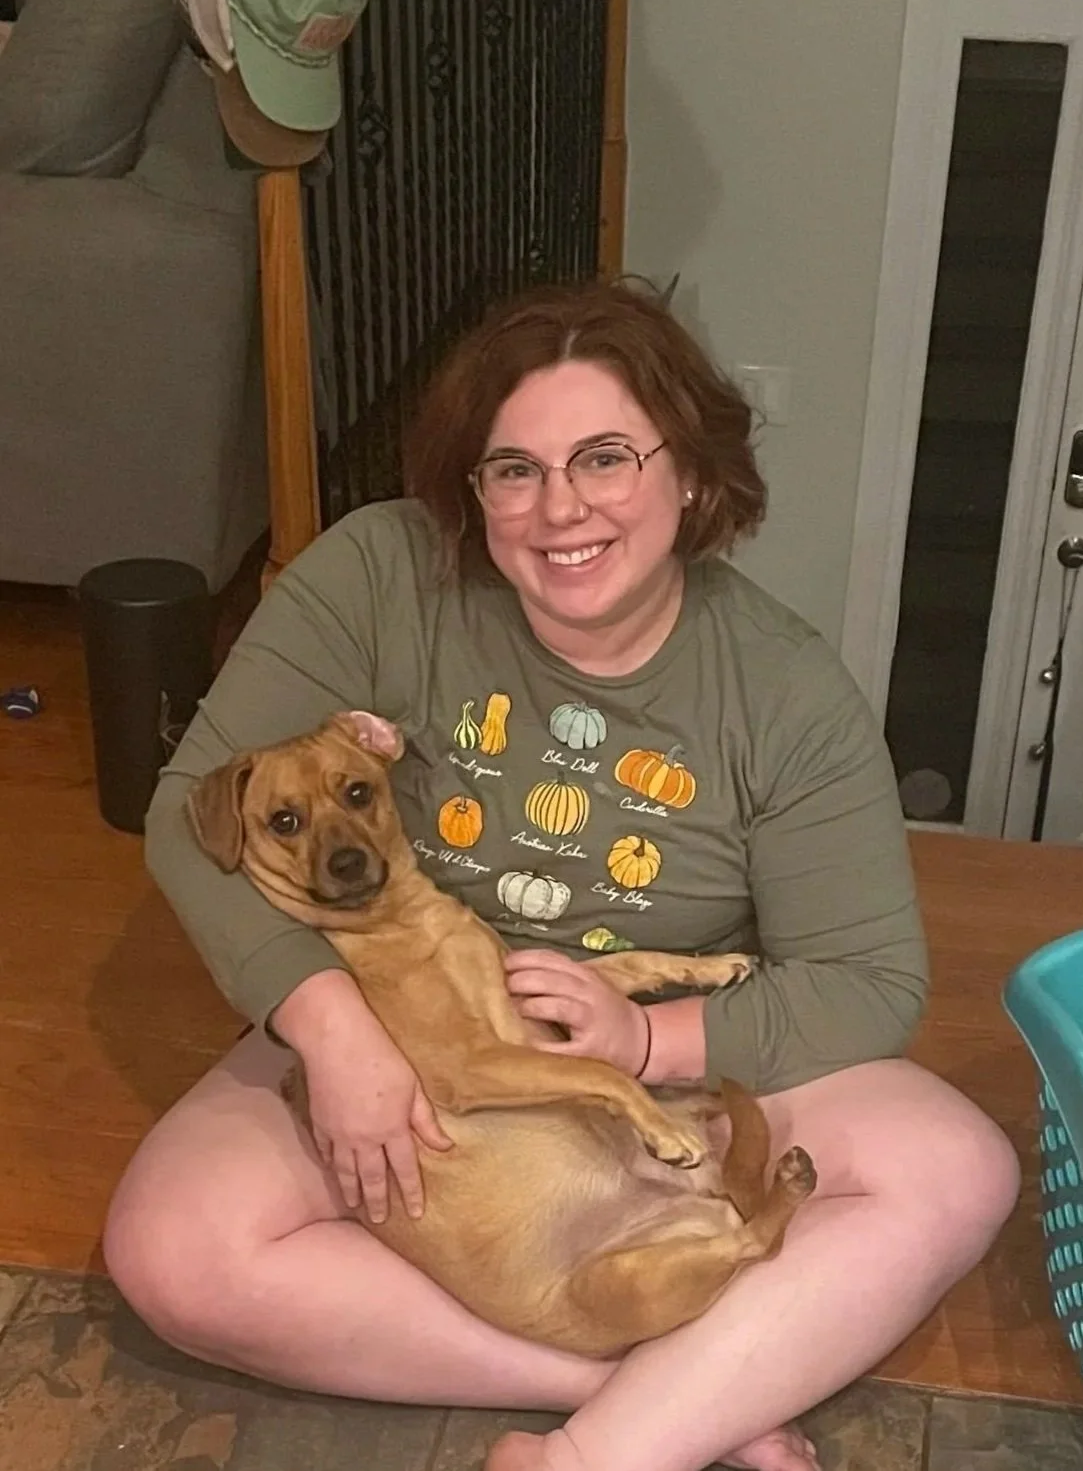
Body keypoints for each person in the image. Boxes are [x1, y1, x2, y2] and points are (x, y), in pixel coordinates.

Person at [102, 278, 1020, 1471]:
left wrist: (645, 1045)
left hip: (662, 1056)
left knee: (959, 1168)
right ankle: (665, 1388)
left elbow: (868, 979)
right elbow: (191, 810)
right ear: (472, 488)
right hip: (404, 1030)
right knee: (174, 1252)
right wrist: (336, 1037)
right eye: (513, 469)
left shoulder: (783, 693)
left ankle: (592, 1456)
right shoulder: (381, 574)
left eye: (602, 458)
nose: (558, 507)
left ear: (686, 473)